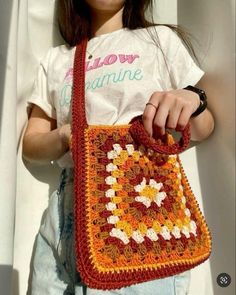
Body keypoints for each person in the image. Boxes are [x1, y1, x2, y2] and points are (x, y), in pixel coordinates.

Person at [23, 0, 215, 294]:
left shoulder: (159, 40)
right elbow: (31, 146)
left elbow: (204, 129)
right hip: (65, 221)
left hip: (142, 215)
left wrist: (193, 101)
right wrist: (65, 136)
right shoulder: (57, 59)